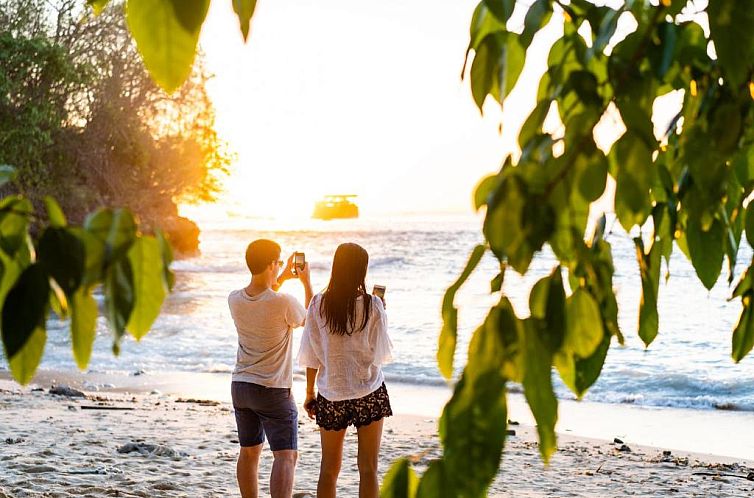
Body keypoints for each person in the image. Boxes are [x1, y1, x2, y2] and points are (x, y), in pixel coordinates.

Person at [297, 243, 393, 498]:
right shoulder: (373, 305)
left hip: (332, 393)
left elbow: (311, 353)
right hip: (369, 391)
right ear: (362, 270)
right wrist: (382, 313)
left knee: (328, 470)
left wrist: (309, 392)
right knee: (369, 469)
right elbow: (380, 353)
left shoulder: (318, 303)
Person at [228, 239, 313, 498]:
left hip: (241, 386)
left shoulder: (234, 299)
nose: (279, 267)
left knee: (250, 451)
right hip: (272, 389)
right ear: (269, 265)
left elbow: (264, 294)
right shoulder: (284, 302)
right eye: (277, 263)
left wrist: (283, 275)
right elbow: (309, 321)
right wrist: (306, 283)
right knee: (286, 456)